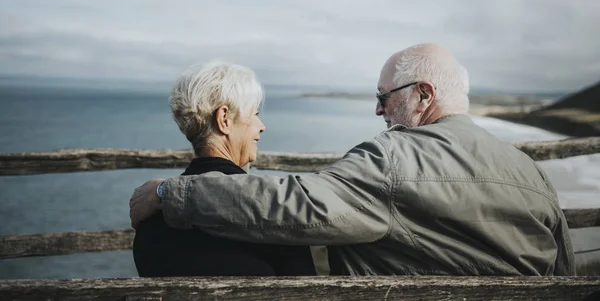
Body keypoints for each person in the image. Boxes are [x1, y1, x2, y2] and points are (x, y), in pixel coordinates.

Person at [130, 43, 575, 276]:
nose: (378, 111)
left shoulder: (393, 159)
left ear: (424, 94)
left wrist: (170, 193)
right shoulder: (532, 173)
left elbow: (298, 208)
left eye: (383, 97)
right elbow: (564, 270)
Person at [132, 61, 315, 277]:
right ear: (224, 118)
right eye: (254, 114)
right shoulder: (274, 215)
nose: (261, 126)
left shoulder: (150, 221)